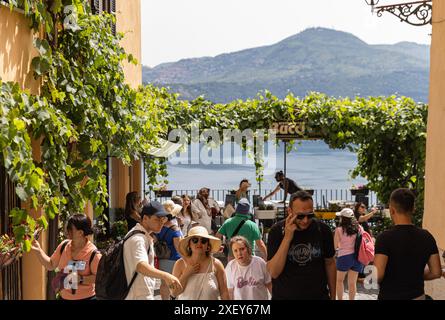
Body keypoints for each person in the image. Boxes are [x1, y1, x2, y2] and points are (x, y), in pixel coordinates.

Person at [374, 188, 442, 300]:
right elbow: (436, 272)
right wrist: (414, 274)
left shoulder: (384, 238)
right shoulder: (427, 236)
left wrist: (366, 275)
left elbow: (378, 275)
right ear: (413, 208)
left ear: (391, 210)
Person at [266, 190, 336, 300]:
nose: (305, 220)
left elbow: (330, 263)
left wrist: (333, 296)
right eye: (300, 216)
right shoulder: (277, 231)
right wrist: (287, 238)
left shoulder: (323, 230)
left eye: (310, 215)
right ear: (290, 211)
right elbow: (273, 272)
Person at [31, 214, 102, 300]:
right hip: (63, 297)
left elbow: (100, 278)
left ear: (80, 233)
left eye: (70, 229)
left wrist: (81, 279)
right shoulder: (64, 246)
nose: (67, 230)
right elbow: (51, 264)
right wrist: (38, 250)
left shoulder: (93, 253)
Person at [123, 201, 182, 300]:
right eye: (157, 219)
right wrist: (166, 276)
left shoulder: (143, 235)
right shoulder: (138, 239)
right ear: (145, 218)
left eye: (163, 219)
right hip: (138, 296)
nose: (161, 223)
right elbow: (141, 266)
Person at [171, 226, 230, 300]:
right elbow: (173, 292)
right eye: (195, 240)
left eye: (203, 241)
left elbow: (224, 292)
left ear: (208, 245)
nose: (199, 243)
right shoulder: (180, 264)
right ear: (189, 244)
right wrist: (186, 274)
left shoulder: (216, 264)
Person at [225, 235, 272, 300]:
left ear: (248, 249)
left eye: (242, 249)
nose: (239, 253)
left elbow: (269, 284)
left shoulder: (260, 263)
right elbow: (230, 291)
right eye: (235, 250)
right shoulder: (230, 266)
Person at [155, 202, 184, 300]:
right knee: (174, 283)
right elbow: (179, 248)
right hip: (174, 259)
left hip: (162, 258)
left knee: (164, 283)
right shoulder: (174, 229)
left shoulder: (159, 227)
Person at [334, 208, 364, 300]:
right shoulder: (359, 228)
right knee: (352, 283)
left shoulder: (339, 229)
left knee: (339, 281)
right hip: (357, 257)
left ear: (342, 218)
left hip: (344, 257)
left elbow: (336, 246)